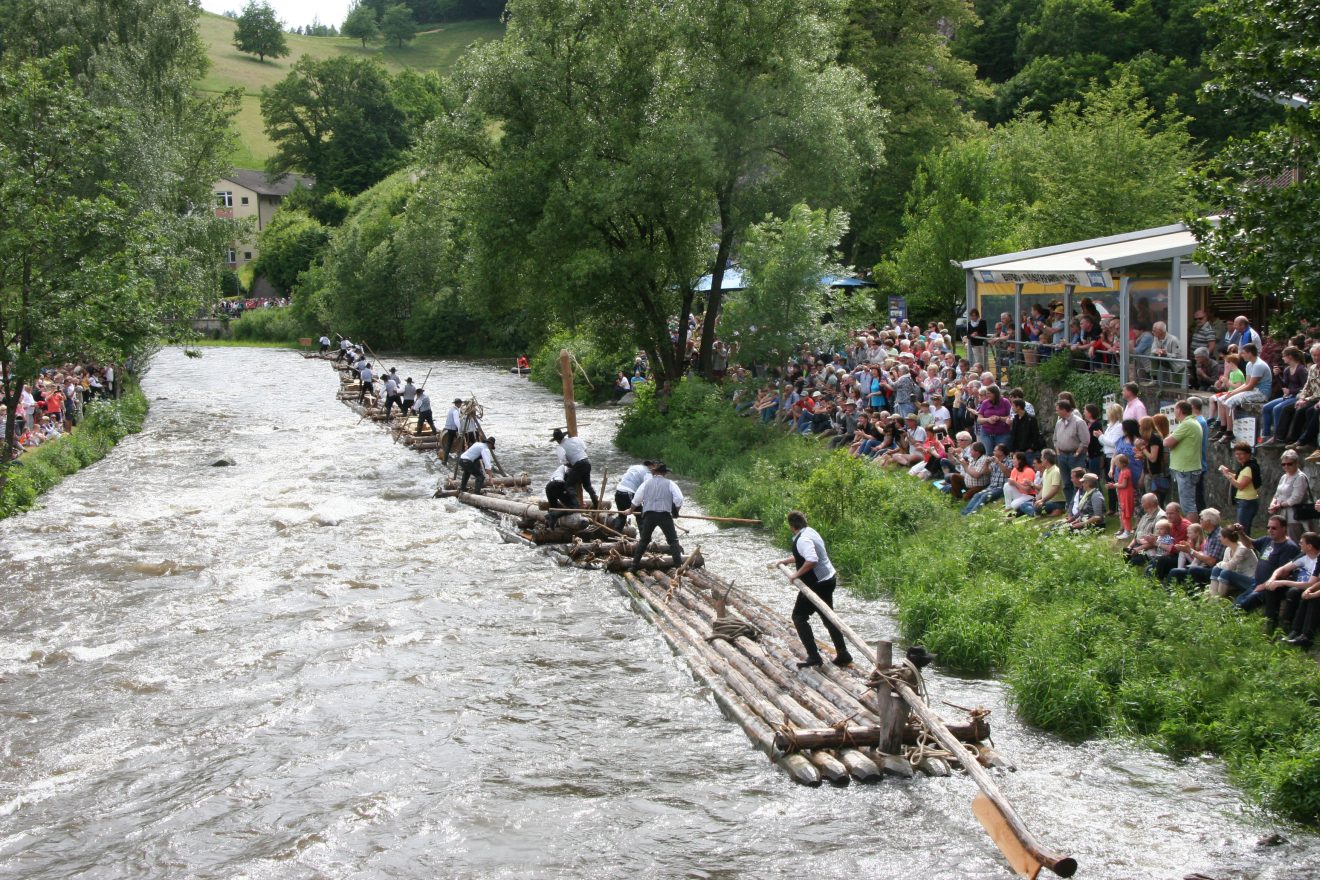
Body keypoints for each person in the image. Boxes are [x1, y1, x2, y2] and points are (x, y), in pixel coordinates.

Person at [770, 511, 852, 669]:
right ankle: (843, 653)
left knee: (799, 617)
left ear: (791, 526)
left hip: (817, 584)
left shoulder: (803, 539)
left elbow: (812, 560)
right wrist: (788, 561)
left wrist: (795, 575)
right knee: (828, 617)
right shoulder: (810, 532)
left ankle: (814, 656)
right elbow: (805, 555)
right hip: (828, 579)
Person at [1234, 516, 1301, 617]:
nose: (1270, 530)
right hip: (1256, 583)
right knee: (1236, 602)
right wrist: (1241, 533)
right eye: (1268, 527)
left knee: (1242, 607)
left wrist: (1264, 585)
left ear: (1284, 529)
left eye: (1274, 528)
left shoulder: (1289, 547)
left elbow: (1283, 573)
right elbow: (1249, 544)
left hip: (1270, 588)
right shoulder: (1268, 540)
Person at [628, 462, 684, 571]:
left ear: (654, 472)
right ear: (664, 473)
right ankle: (679, 567)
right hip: (665, 515)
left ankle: (633, 566)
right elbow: (679, 499)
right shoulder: (670, 484)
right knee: (673, 541)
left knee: (643, 541)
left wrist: (630, 510)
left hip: (649, 516)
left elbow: (636, 499)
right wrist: (675, 512)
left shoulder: (646, 483)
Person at [1163, 400, 1203, 516]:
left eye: (1175, 409)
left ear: (1179, 410)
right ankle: (1189, 531)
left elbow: (1167, 442)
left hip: (1186, 469)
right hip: (1187, 468)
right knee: (1187, 504)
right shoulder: (1191, 422)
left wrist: (1169, 439)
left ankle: (1192, 533)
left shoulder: (1186, 424)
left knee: (1188, 505)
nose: (1174, 412)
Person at [552, 428, 600, 508]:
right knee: (587, 485)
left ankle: (575, 505)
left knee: (568, 485)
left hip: (578, 464)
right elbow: (585, 449)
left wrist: (572, 466)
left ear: (557, 440)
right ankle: (595, 502)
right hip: (587, 462)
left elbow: (564, 462)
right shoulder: (576, 439)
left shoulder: (560, 447)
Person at [1219, 442, 1261, 532]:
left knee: (1243, 530)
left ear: (1248, 454)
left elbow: (1240, 485)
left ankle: (1247, 546)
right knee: (1243, 528)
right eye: (1237, 454)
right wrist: (1227, 472)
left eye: (1241, 454)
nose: (1238, 456)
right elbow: (1239, 477)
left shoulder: (1249, 468)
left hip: (1247, 502)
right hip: (1244, 501)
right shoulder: (1245, 466)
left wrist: (1227, 476)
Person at [1208, 524, 1258, 599]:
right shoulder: (1228, 550)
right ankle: (1212, 598)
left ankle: (1217, 600)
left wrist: (1220, 563)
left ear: (1226, 538)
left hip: (1250, 579)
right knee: (1216, 569)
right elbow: (1224, 567)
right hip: (1237, 576)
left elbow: (1229, 567)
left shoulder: (1242, 549)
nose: (1219, 539)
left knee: (1225, 572)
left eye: (1220, 537)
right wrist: (1221, 565)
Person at [612, 460, 654, 531]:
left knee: (622, 516)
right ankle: (644, 540)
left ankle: (615, 536)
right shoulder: (648, 473)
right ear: (651, 466)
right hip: (629, 494)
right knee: (641, 516)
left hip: (618, 492)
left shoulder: (634, 467)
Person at [1110, 453, 1136, 538]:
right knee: (1123, 512)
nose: (1115, 464)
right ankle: (1125, 530)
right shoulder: (1122, 471)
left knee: (1126, 513)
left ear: (1123, 463)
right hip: (1123, 495)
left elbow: (1124, 485)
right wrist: (1115, 484)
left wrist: (1114, 485)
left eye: (1117, 462)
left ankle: (1127, 532)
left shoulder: (1126, 472)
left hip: (1126, 495)